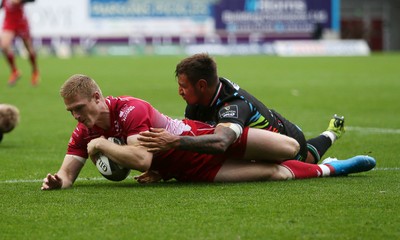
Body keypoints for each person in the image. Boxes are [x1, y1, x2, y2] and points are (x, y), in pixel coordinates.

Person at [41, 74, 375, 190]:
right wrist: (57, 181)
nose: (76, 117)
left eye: (80, 108)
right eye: (71, 111)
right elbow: (67, 174)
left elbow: (141, 159)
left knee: (289, 147)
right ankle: (332, 168)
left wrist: (101, 144)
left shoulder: (130, 109)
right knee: (275, 175)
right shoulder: (83, 131)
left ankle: (327, 137)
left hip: (204, 135)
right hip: (193, 168)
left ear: (97, 98)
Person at [138, 53, 344, 164]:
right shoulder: (197, 103)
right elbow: (196, 143)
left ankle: (332, 132)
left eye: (183, 87)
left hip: (288, 139)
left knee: (307, 160)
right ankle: (332, 131)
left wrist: (174, 141)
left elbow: (220, 143)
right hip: (258, 143)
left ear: (201, 85)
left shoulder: (234, 106)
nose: (179, 92)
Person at [1, 0, 39, 86]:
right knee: (4, 46)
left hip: (20, 22)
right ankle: (15, 71)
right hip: (9, 23)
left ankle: (35, 71)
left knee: (28, 48)